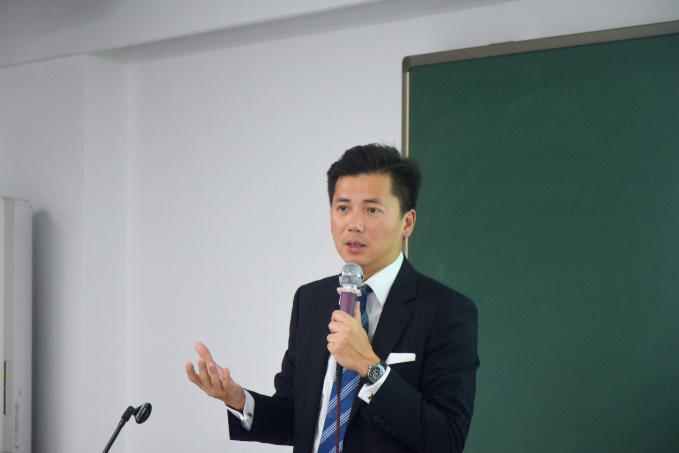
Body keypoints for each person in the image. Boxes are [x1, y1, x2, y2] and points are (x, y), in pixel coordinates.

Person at [186, 144, 479, 452]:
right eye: (343, 208)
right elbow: (296, 418)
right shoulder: (310, 300)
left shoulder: (446, 310)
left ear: (407, 222)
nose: (354, 224)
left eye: (372, 210)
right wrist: (237, 399)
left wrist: (369, 366)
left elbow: (446, 439)